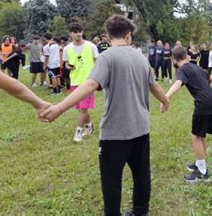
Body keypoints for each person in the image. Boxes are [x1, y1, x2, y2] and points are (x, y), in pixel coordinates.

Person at [39, 15, 170, 216]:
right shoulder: (141, 58)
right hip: (141, 128)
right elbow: (154, 86)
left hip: (114, 133)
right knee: (142, 174)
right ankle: (140, 212)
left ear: (108, 36)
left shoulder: (106, 57)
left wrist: (59, 108)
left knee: (111, 181)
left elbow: (91, 84)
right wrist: (165, 101)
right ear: (129, 35)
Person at [165, 46, 212, 182]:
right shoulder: (195, 66)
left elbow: (178, 83)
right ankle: (200, 163)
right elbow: (211, 77)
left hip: (203, 105)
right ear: (187, 55)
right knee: (201, 135)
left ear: (174, 59)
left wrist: (165, 97)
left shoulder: (183, 69)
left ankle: (202, 172)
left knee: (196, 136)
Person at [62, 22, 99, 141]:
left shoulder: (91, 46)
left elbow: (98, 62)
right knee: (80, 108)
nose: (78, 34)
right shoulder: (67, 49)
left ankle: (78, 132)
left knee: (83, 109)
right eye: (75, 32)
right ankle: (89, 126)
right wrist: (68, 66)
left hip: (88, 82)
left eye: (80, 31)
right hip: (75, 81)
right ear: (70, 33)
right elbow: (66, 63)